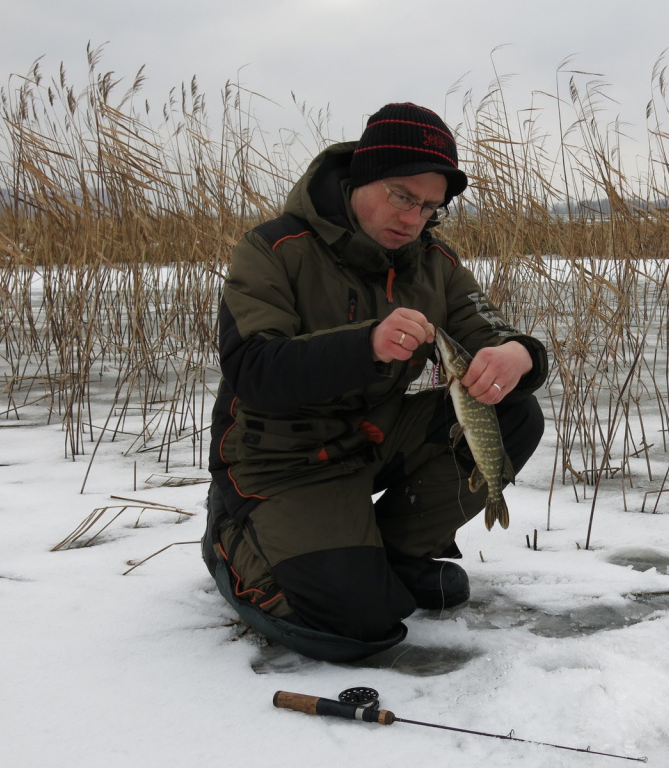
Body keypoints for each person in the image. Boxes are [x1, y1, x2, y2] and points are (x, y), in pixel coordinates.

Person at [202, 102, 548, 662]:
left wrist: (518, 356)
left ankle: (396, 552)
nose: (413, 218)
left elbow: (490, 330)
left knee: (515, 414)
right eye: (402, 195)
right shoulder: (272, 249)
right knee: (359, 624)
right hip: (281, 462)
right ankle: (231, 540)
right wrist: (364, 346)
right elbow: (254, 370)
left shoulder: (435, 261)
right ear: (362, 174)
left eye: (430, 206)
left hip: (370, 439)